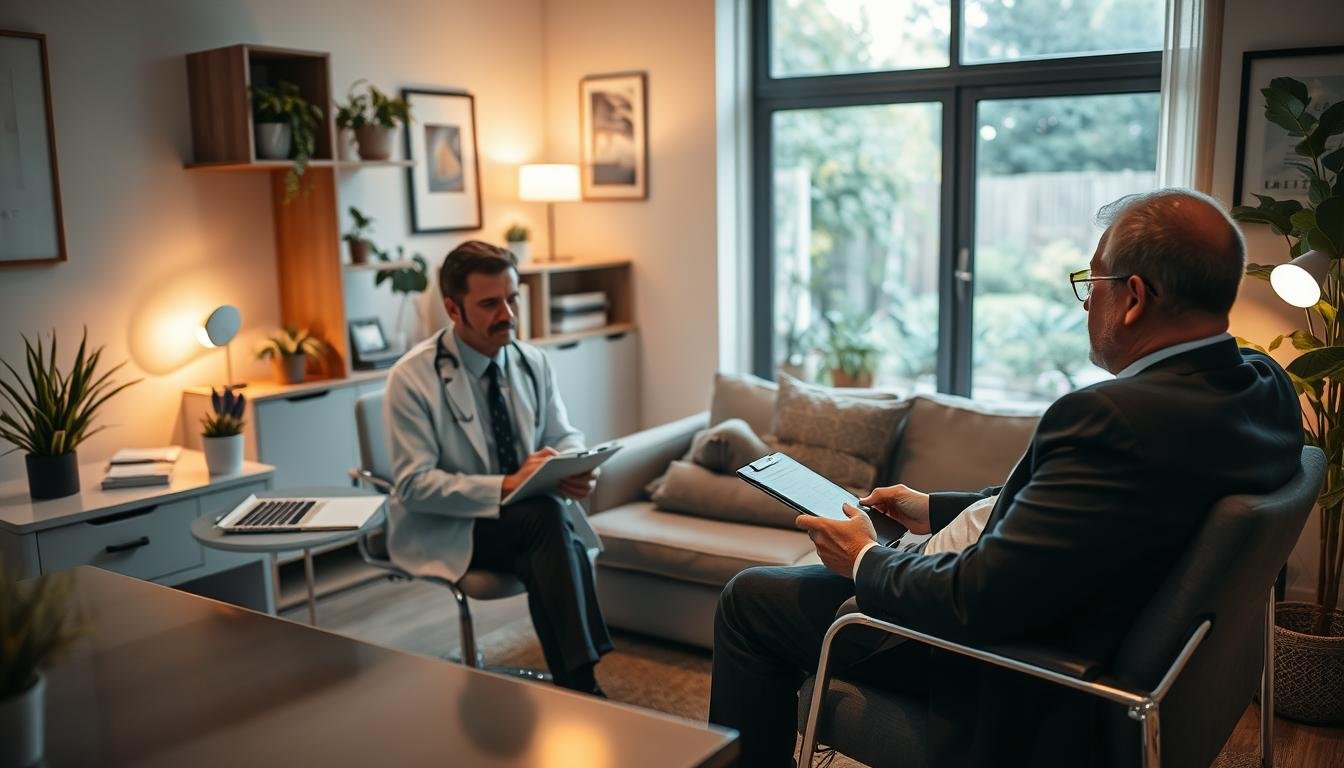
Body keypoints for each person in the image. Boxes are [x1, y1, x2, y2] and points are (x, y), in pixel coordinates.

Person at [708, 189, 1304, 766]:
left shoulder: (1110, 420)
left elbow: (975, 601)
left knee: (750, 599)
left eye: (1092, 283)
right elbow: (1086, 513)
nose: (1087, 305)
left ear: (1134, 297)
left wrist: (864, 559)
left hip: (1015, 670)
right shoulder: (1262, 385)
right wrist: (935, 509)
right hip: (1096, 632)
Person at [383, 240, 612, 695]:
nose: (507, 314)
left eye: (512, 299)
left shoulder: (531, 362)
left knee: (546, 537)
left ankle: (575, 684)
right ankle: (583, 685)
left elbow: (562, 434)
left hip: (524, 524)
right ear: (453, 308)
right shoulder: (411, 378)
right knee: (548, 521)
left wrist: (573, 465)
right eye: (490, 304)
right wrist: (508, 484)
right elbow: (413, 485)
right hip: (452, 524)